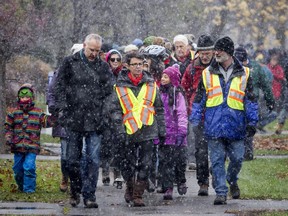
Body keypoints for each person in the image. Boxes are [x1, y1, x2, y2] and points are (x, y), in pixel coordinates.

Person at [190, 36, 258, 205]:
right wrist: (195, 120)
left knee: (237, 159)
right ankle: (221, 192)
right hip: (214, 125)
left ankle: (232, 179)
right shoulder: (207, 74)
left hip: (236, 126)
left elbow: (250, 101)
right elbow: (199, 99)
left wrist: (252, 122)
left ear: (229, 52)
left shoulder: (245, 73)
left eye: (219, 50)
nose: (216, 52)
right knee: (217, 160)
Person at [53, 33, 113, 208]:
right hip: (74, 117)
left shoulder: (103, 67)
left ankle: (89, 195)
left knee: (93, 159)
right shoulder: (69, 63)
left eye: (97, 50)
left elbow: (110, 91)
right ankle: (75, 190)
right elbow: (59, 87)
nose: (94, 53)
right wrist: (63, 109)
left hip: (95, 119)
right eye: (91, 49)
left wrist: (104, 112)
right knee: (72, 159)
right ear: (84, 45)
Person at [108, 52, 166, 207]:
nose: (138, 67)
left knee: (146, 163)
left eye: (141, 64)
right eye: (135, 64)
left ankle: (138, 194)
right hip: (128, 129)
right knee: (127, 163)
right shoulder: (119, 86)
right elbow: (114, 110)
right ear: (127, 65)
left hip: (148, 128)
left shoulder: (151, 84)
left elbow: (159, 108)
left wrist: (162, 130)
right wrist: (119, 129)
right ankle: (130, 186)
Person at [4, 83, 55, 193]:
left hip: (32, 145)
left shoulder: (37, 112)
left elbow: (46, 121)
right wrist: (9, 137)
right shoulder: (13, 112)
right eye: (22, 97)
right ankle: (21, 186)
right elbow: (8, 127)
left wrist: (55, 118)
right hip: (17, 145)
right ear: (19, 98)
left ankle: (29, 190)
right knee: (17, 170)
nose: (24, 99)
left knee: (29, 167)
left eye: (27, 97)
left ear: (31, 98)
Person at [46, 44, 84, 192]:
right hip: (65, 119)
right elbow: (51, 93)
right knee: (66, 154)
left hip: (83, 120)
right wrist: (56, 109)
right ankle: (65, 177)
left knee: (83, 154)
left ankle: (78, 181)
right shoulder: (60, 73)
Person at [181, 34, 215, 196]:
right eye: (202, 52)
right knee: (200, 150)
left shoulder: (219, 67)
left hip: (217, 115)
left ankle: (217, 174)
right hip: (198, 115)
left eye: (208, 52)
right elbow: (184, 89)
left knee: (217, 149)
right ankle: (203, 183)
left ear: (213, 52)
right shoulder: (192, 68)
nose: (205, 55)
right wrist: (189, 108)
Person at [234, 46, 275, 160]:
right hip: (235, 100)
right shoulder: (247, 67)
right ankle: (240, 152)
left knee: (249, 127)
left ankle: (247, 152)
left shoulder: (255, 68)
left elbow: (266, 86)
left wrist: (270, 101)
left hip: (250, 101)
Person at [159, 64, 188, 200]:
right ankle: (168, 186)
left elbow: (182, 113)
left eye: (166, 76)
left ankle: (181, 180)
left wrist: (182, 130)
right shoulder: (159, 94)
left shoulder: (178, 95)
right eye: (162, 76)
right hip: (165, 134)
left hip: (177, 133)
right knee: (166, 162)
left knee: (180, 161)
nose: (163, 79)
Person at [101, 48, 124, 187]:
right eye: (112, 59)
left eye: (118, 59)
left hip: (120, 114)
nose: (115, 62)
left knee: (119, 145)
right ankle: (105, 171)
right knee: (106, 145)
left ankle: (117, 173)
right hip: (105, 114)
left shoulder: (123, 75)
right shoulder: (103, 74)